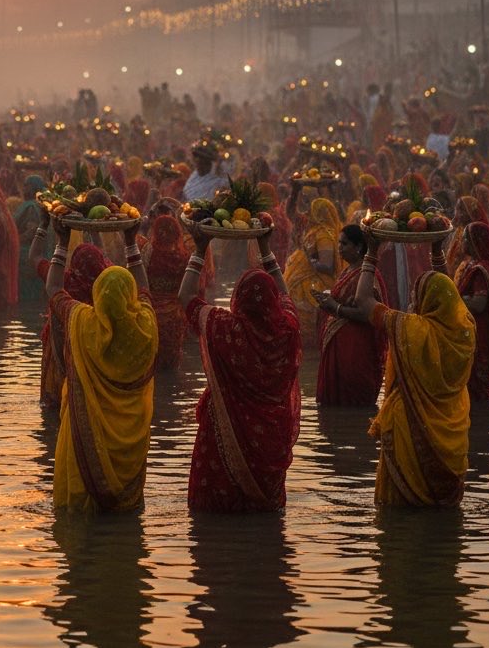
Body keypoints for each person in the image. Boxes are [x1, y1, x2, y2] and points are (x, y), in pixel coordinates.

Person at [178, 227, 302, 512]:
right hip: (270, 437)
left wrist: (200, 249)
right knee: (266, 521)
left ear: (238, 299)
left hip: (223, 434)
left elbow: (185, 296)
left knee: (214, 516)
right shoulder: (288, 330)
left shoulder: (226, 328)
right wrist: (265, 249)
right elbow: (285, 296)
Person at [349, 234, 475, 507]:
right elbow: (449, 293)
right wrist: (437, 252)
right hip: (452, 439)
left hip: (409, 429)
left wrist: (371, 253)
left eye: (418, 295)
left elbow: (362, 301)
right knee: (441, 521)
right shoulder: (466, 329)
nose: (413, 299)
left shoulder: (411, 328)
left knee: (400, 514)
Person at [45, 218, 157, 513]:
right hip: (130, 448)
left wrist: (61, 240)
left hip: (86, 443)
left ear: (97, 295)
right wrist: (131, 242)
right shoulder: (146, 326)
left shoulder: (83, 322)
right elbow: (145, 290)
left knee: (81, 517)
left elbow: (54, 288)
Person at [27, 209, 109, 409]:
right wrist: (94, 229)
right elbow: (102, 258)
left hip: (59, 355)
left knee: (55, 410)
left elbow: (35, 256)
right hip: (92, 361)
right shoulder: (107, 288)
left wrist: (45, 225)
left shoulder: (62, 283)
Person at [314, 225, 388, 407]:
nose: (339, 247)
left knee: (355, 405)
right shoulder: (348, 270)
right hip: (339, 346)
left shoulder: (368, 275)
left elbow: (369, 313)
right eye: (339, 242)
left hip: (356, 350)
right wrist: (327, 302)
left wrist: (335, 307)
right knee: (333, 410)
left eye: (344, 243)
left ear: (358, 247)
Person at [454, 221, 489, 402]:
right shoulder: (484, 264)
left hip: (478, 333)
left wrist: (453, 299)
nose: (462, 244)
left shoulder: (480, 269)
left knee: (476, 385)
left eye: (465, 240)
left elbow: (479, 303)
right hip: (479, 331)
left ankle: (479, 422)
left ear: (475, 242)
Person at [283, 193, 343, 337]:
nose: (308, 212)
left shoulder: (324, 235)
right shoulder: (316, 230)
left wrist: (311, 261)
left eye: (312, 209)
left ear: (319, 213)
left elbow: (327, 266)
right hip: (303, 281)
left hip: (314, 285)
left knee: (308, 327)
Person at [141, 214, 189, 370]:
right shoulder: (184, 256)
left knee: (149, 365)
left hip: (150, 312)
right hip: (174, 316)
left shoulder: (148, 251)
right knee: (171, 367)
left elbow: (139, 280)